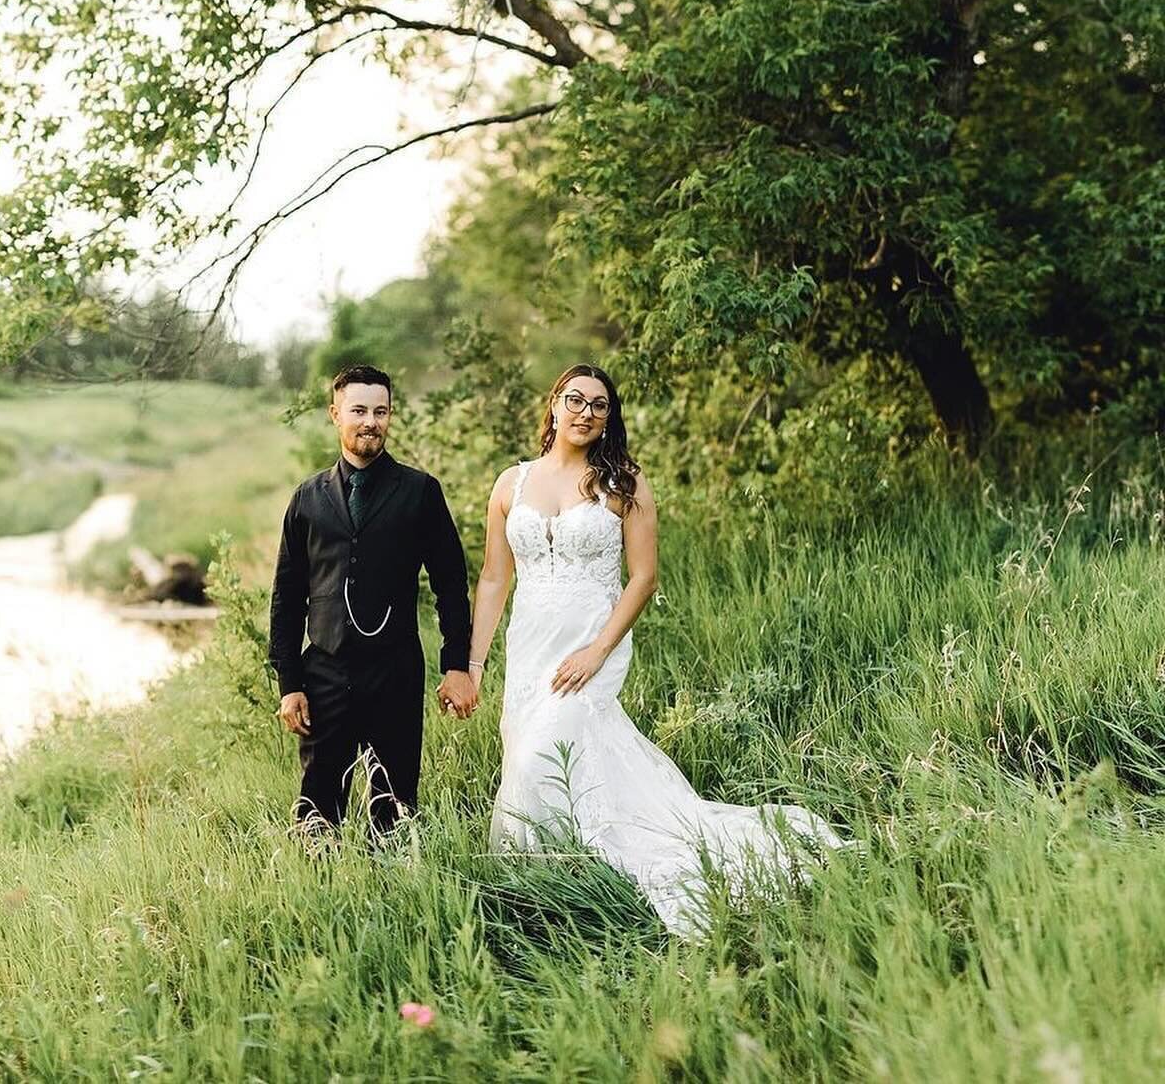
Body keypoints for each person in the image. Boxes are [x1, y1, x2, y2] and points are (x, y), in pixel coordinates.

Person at [466, 362, 845, 934]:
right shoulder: (510, 483)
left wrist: (597, 651)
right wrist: (472, 664)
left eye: (599, 405)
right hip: (530, 650)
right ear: (554, 404)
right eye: (575, 399)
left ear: (609, 418)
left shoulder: (624, 484)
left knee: (543, 751)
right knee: (537, 756)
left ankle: (592, 866)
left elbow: (643, 578)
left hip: (592, 644)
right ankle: (551, 878)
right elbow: (495, 579)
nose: (585, 413)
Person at [268, 364, 478, 833]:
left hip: (395, 672)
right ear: (335, 414)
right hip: (324, 671)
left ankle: (395, 889)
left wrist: (457, 665)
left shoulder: (420, 492)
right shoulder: (307, 498)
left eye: (380, 411)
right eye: (358, 410)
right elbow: (287, 597)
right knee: (317, 812)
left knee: (396, 809)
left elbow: (450, 583)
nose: (370, 421)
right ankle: (323, 890)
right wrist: (290, 683)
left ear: (390, 416)